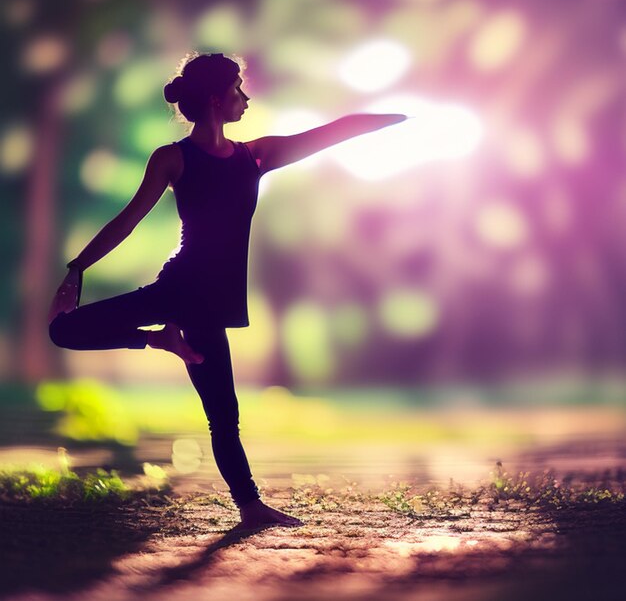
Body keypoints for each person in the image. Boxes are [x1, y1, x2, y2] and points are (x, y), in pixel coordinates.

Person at [48, 51, 407, 531]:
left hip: (207, 304)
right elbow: (128, 220)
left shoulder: (254, 156)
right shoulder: (173, 158)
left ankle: (251, 506)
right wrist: (77, 268)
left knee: (223, 415)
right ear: (218, 99)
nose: (246, 97)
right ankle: (158, 340)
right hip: (181, 288)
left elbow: (328, 134)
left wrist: (391, 119)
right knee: (64, 332)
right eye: (239, 89)